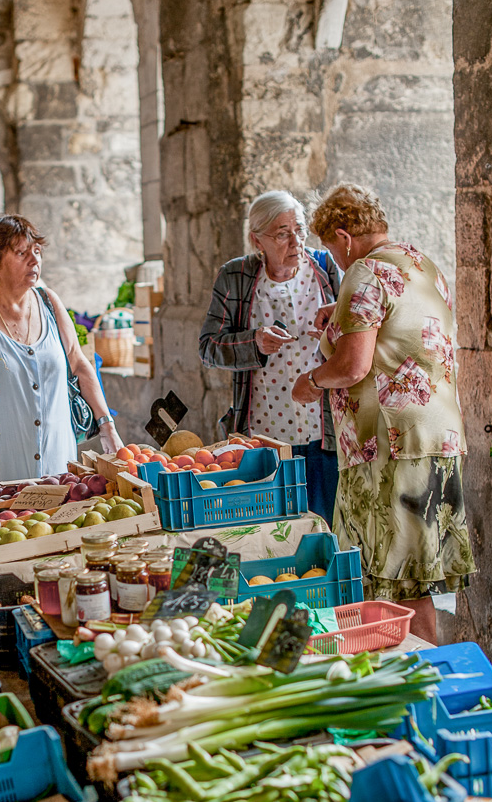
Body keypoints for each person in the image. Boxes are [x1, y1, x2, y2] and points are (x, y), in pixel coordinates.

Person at [290, 184, 475, 644]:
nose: (334, 260)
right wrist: (341, 314)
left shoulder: (363, 271)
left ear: (343, 236)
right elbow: (402, 329)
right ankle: (420, 675)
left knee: (395, 582)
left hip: (388, 446)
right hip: (435, 437)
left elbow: (352, 366)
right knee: (415, 576)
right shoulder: (421, 264)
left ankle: (415, 679)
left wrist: (310, 381)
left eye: (331, 249)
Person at [0, 214, 121, 489]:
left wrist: (107, 428)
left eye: (37, 251)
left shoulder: (49, 302)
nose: (34, 260)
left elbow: (78, 364)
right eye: (21, 253)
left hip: (57, 464)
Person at [198, 190, 342, 524]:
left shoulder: (326, 269)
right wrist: (254, 342)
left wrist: (336, 331)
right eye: (282, 233)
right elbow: (207, 347)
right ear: (256, 240)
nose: (296, 241)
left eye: (300, 230)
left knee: (327, 524)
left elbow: (358, 330)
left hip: (324, 431)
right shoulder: (236, 277)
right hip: (265, 435)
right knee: (271, 529)